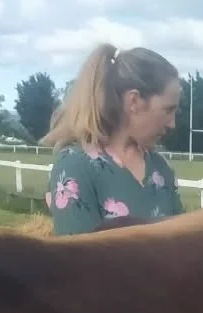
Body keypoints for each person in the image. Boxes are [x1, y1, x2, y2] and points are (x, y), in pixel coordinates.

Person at [41, 44, 184, 233]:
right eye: (168, 110)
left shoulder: (160, 168)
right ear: (133, 101)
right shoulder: (75, 168)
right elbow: (76, 258)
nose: (172, 124)